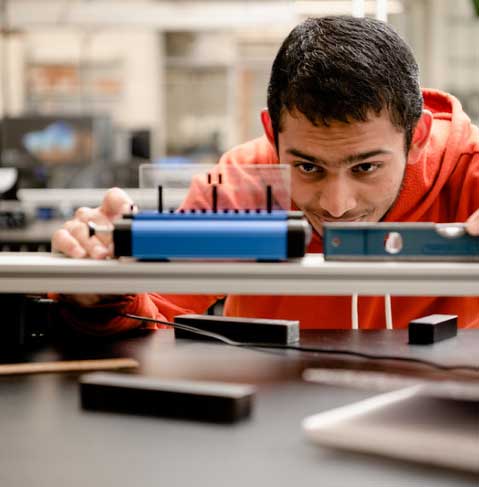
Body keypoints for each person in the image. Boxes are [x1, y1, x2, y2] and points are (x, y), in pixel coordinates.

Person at [52, 15, 479, 334]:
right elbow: (155, 312)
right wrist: (97, 294)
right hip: (270, 424)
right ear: (272, 135)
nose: (336, 204)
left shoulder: (470, 170)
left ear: (417, 135)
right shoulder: (245, 181)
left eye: (365, 167)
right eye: (308, 167)